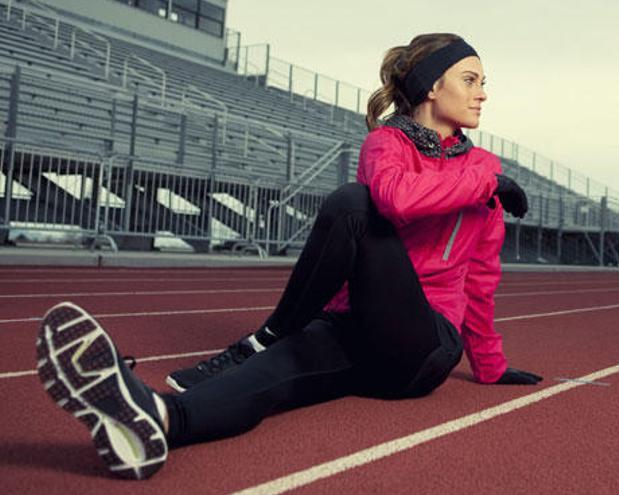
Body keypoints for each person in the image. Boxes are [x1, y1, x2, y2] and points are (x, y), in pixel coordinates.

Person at [36, 33, 542, 480]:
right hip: (355, 331)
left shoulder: (481, 168)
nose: (483, 92)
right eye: (471, 79)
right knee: (272, 377)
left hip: (423, 344)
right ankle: (158, 420)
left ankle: (270, 333)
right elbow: (395, 199)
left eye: (483, 81)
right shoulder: (388, 146)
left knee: (351, 203)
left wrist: (491, 367)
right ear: (433, 87)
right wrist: (485, 183)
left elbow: (479, 279)